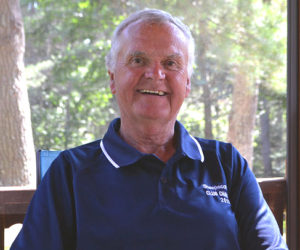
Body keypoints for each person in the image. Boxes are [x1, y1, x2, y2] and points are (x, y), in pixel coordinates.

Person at [12, 9, 288, 250]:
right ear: (112, 78)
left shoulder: (226, 163)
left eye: (170, 63)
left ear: (187, 83)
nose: (156, 74)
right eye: (138, 60)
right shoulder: (70, 172)